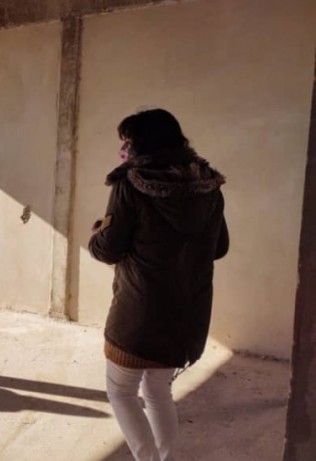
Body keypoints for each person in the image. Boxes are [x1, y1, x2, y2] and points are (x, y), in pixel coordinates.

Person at [89, 109, 229, 461]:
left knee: (121, 392)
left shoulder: (130, 184)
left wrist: (98, 233)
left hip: (139, 313)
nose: (124, 147)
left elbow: (108, 249)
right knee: (158, 391)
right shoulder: (209, 185)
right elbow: (220, 247)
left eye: (128, 140)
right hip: (188, 313)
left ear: (143, 143)